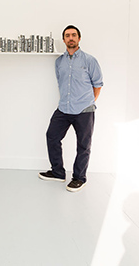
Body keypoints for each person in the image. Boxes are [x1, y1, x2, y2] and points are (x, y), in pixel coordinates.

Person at [39, 25, 103, 192]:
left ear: (79, 38)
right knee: (52, 136)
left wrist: (89, 101)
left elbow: (98, 84)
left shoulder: (89, 60)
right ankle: (58, 172)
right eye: (67, 36)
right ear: (64, 40)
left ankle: (79, 178)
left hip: (84, 110)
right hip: (64, 108)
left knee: (83, 145)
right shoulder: (59, 62)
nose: (71, 38)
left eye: (74, 35)